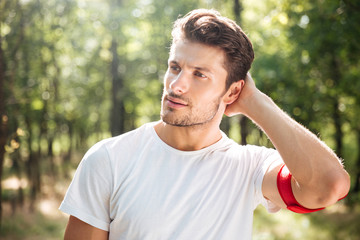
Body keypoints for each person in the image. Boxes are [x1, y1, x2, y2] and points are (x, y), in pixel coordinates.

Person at [59, 9, 350, 240]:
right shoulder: (108, 159)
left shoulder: (249, 168)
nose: (177, 85)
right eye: (175, 67)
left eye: (200, 75)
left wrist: (257, 104)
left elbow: (328, 187)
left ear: (233, 91)